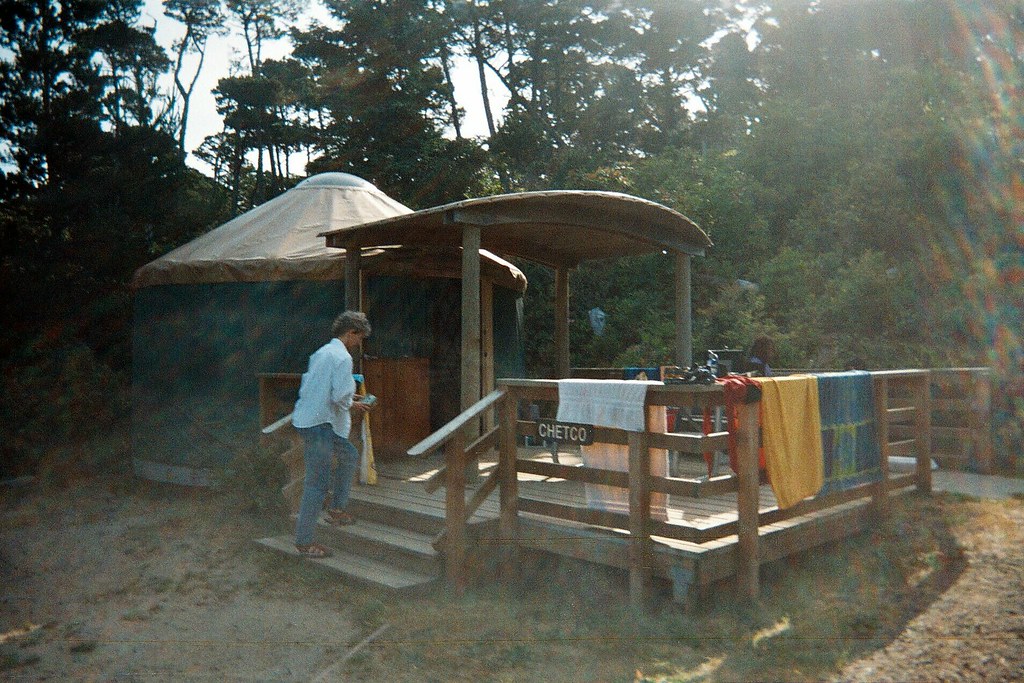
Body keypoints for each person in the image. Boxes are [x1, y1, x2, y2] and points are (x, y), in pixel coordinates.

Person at [291, 311, 375, 558]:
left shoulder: (321, 353)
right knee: (316, 484)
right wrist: (356, 403)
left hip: (310, 420)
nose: (359, 344)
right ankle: (304, 542)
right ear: (352, 333)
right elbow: (340, 397)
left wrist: (351, 398)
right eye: (359, 338)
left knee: (349, 455)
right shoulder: (342, 358)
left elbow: (322, 389)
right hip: (320, 425)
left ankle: (337, 508)